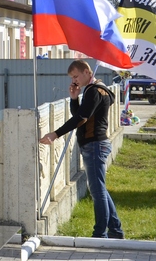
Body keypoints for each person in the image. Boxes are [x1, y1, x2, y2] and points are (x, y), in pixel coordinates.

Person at [39, 59, 124, 239]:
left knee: (97, 190)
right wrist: (74, 98)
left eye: (76, 76)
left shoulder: (94, 91)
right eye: (72, 78)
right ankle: (115, 230)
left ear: (87, 72)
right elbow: (80, 114)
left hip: (94, 145)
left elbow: (81, 119)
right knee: (99, 188)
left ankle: (100, 234)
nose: (75, 80)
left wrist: (56, 134)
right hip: (95, 144)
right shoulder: (97, 89)